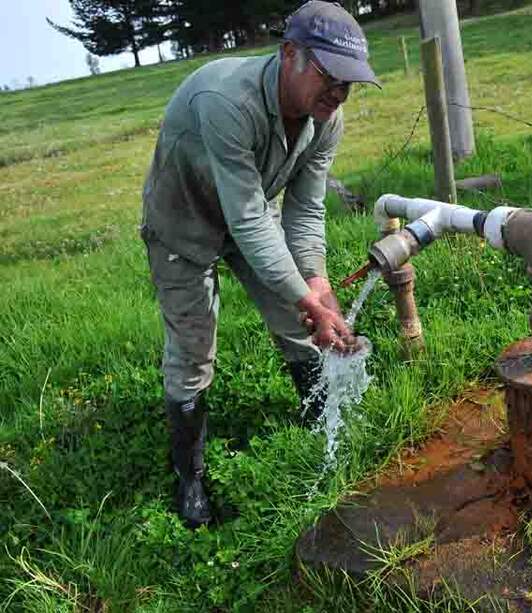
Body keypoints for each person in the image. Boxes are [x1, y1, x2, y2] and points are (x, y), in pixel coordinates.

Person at [139, 1, 379, 528]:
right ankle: (190, 476)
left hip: (250, 214)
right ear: (289, 53)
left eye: (349, 83)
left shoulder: (325, 119)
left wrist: (316, 285)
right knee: (193, 348)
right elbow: (247, 220)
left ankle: (322, 426)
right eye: (329, 76)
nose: (338, 93)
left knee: (300, 324)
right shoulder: (226, 101)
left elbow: (305, 210)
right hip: (184, 222)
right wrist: (308, 297)